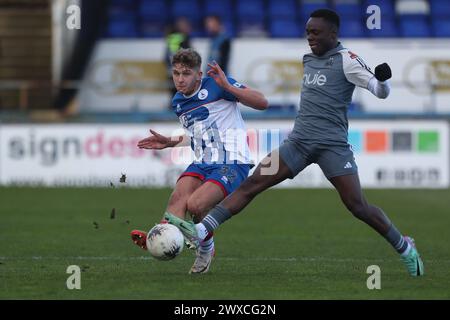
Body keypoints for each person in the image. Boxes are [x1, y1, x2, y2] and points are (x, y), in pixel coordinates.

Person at [167, 9, 425, 277]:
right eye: (307, 32)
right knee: (252, 183)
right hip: (298, 144)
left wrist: (382, 80)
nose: (309, 37)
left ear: (333, 34)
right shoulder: (309, 58)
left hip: (332, 147)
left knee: (357, 206)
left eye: (315, 32)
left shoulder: (347, 60)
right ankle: (203, 229)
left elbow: (380, 91)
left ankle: (404, 247)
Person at [131, 48, 268, 274]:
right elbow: (198, 135)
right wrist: (169, 142)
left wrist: (228, 87)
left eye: (186, 73)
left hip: (232, 162)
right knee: (177, 199)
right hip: (203, 161)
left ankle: (202, 246)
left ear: (198, 74)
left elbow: (262, 103)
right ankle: (160, 238)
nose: (180, 79)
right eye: (176, 73)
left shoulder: (217, 85)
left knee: (196, 205)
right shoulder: (178, 101)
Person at [165, 17, 192, 98]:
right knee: (182, 91)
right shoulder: (184, 37)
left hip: (171, 67)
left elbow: (166, 54)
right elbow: (189, 54)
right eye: (186, 26)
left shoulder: (171, 37)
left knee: (174, 91)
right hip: (181, 68)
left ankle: (173, 105)